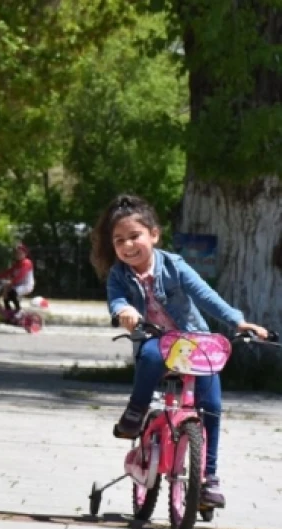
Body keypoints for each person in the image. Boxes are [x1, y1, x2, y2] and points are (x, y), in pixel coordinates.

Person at [90, 194, 268, 508]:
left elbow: (206, 296)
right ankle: (136, 412)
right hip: (155, 340)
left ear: (154, 235)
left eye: (135, 236)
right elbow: (116, 300)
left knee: (211, 405)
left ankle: (208, 480)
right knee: (151, 354)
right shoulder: (119, 274)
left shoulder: (174, 265)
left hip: (193, 341)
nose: (128, 245)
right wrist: (125, 312)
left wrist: (239, 322)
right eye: (119, 240)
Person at [0, 243, 34, 314]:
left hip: (26, 285)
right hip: (17, 284)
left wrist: (11, 282)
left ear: (25, 254)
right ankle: (8, 312)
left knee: (12, 293)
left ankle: (19, 310)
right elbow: (8, 272)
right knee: (5, 294)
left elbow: (21, 275)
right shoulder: (16, 264)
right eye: (16, 253)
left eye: (20, 253)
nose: (18, 255)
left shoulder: (27, 263)